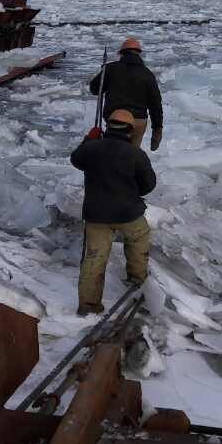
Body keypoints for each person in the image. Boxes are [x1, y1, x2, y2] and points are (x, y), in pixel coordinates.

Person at [70, 109, 156, 315]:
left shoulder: (91, 149)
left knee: (94, 257)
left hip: (96, 214)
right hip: (128, 213)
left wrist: (88, 141)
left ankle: (88, 306)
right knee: (138, 241)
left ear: (108, 126)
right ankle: (137, 282)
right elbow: (149, 184)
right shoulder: (136, 154)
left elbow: (76, 160)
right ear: (130, 130)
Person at [87, 37, 164, 151]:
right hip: (138, 121)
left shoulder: (110, 69)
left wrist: (105, 75)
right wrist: (157, 129)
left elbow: (94, 89)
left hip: (116, 119)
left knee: (113, 152)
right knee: (132, 155)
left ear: (121, 54)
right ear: (139, 54)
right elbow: (155, 105)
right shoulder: (147, 74)